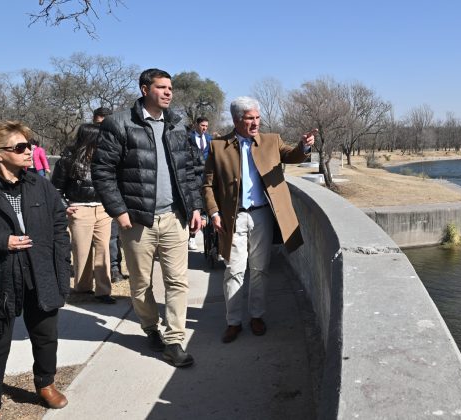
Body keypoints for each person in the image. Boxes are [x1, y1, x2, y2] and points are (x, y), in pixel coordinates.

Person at [92, 68, 203, 368]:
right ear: (145, 90)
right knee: (141, 284)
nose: (168, 92)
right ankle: (150, 328)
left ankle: (175, 340)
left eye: (170, 88)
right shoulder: (119, 123)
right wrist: (119, 211)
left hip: (174, 218)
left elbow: (190, 171)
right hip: (138, 221)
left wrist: (195, 207)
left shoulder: (178, 125)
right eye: (161, 87)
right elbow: (102, 171)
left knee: (178, 282)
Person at [0, 121, 71, 418]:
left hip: (40, 271)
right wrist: (1, 240)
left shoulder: (39, 183)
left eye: (29, 145)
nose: (30, 151)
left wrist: (61, 266)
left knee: (45, 336)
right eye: (20, 147)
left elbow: (58, 225)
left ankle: (45, 383)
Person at [202, 96, 315, 343]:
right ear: (236, 120)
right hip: (233, 218)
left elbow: (292, 155)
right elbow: (208, 185)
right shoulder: (218, 146)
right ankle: (233, 322)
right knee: (234, 270)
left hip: (262, 215)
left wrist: (304, 146)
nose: (255, 123)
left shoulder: (271, 141)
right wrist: (213, 212)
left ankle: (256, 316)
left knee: (259, 269)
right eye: (249, 118)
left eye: (257, 118)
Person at [51, 124, 116, 304]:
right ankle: (83, 288)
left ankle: (104, 291)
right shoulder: (68, 160)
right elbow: (55, 188)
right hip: (80, 210)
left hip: (103, 210)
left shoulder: (104, 158)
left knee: (104, 249)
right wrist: (65, 205)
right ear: (90, 138)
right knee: (82, 251)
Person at [92, 107, 126, 282]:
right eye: (98, 125)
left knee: (113, 237)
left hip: (111, 198)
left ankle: (114, 268)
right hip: (90, 200)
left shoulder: (118, 144)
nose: (101, 130)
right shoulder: (86, 143)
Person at [187, 117, 211, 251]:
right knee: (194, 208)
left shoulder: (209, 139)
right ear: (196, 125)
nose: (204, 128)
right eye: (202, 125)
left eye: (206, 126)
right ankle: (191, 238)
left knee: (205, 210)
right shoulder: (188, 139)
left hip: (206, 180)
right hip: (193, 178)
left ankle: (208, 238)